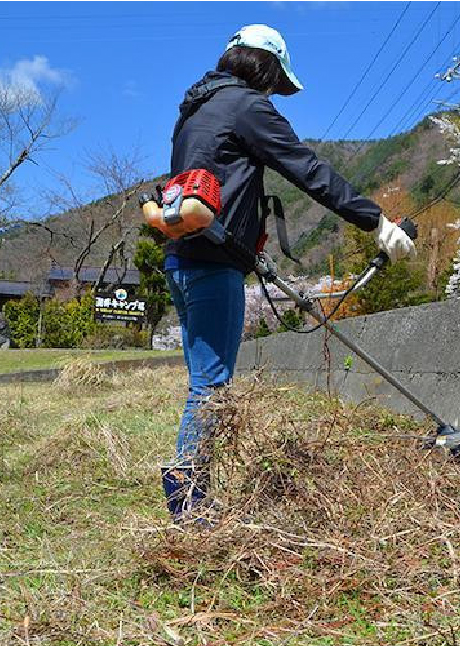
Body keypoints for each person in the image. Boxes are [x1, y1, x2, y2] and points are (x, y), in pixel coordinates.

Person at [161, 24, 416, 523]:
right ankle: (189, 501)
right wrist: (376, 222)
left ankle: (190, 492)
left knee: (202, 383)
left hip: (183, 259)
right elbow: (309, 171)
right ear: (266, 68)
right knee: (211, 388)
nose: (276, 93)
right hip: (214, 263)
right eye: (277, 81)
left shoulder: (195, 109)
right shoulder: (246, 106)